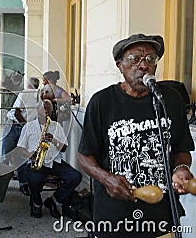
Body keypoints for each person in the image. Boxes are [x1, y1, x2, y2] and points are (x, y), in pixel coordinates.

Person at [78, 34, 194, 238]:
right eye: (134, 59)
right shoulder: (102, 102)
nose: (144, 66)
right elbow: (85, 157)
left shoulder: (170, 100)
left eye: (151, 59)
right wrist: (107, 179)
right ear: (120, 65)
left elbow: (181, 150)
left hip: (162, 217)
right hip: (114, 218)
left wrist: (181, 169)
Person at [16, 99, 82, 218]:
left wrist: (54, 140)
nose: (46, 111)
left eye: (48, 109)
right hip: (36, 162)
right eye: (44, 109)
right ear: (37, 110)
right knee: (34, 180)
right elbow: (20, 148)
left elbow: (64, 148)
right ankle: (36, 203)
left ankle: (55, 201)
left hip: (54, 161)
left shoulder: (56, 126)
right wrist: (31, 155)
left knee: (75, 176)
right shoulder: (29, 126)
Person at [2, 77, 40, 196]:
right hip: (14, 125)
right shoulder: (25, 93)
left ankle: (23, 183)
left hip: (25, 126)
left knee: (22, 156)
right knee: (6, 153)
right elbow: (17, 112)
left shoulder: (39, 97)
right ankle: (1, 183)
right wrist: (26, 127)